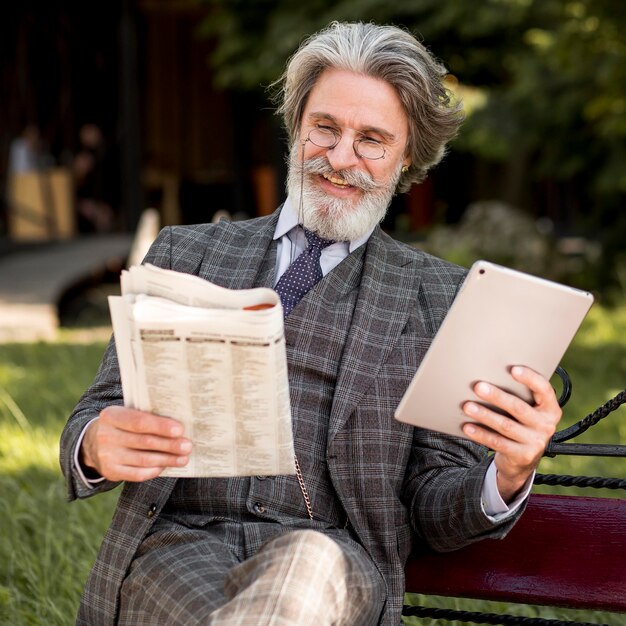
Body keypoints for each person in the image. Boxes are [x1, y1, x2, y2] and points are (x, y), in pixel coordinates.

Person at [60, 21, 562, 626]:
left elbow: (434, 504)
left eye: (372, 139)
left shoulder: (442, 297)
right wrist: (95, 444)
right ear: (297, 127)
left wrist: (508, 474)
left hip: (335, 555)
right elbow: (98, 413)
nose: (340, 157)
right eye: (325, 127)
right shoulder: (186, 253)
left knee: (304, 574)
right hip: (178, 544)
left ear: (407, 157)